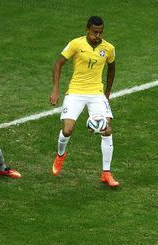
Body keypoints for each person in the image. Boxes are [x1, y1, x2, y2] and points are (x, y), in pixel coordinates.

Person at [49, 16, 119, 187]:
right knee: (67, 130)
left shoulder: (108, 48)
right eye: (95, 32)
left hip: (96, 93)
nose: (98, 35)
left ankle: (106, 173)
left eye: (101, 32)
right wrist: (56, 90)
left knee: (107, 129)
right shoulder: (76, 44)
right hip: (75, 92)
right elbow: (58, 64)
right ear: (87, 29)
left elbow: (112, 69)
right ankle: (60, 155)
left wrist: (107, 93)